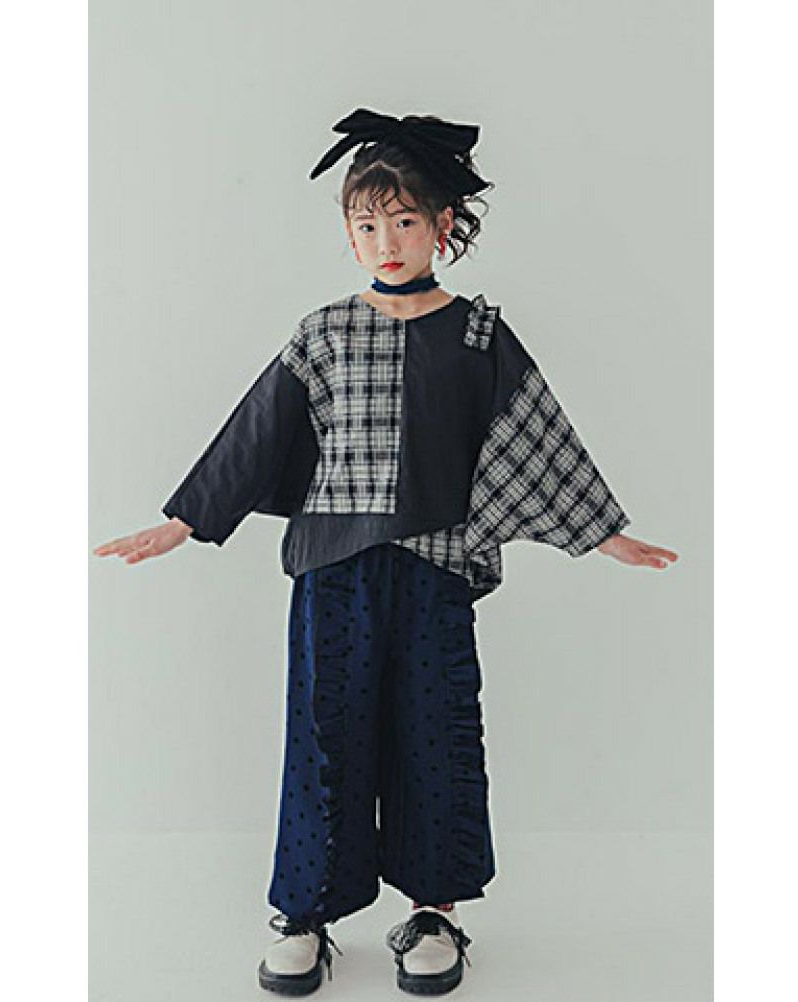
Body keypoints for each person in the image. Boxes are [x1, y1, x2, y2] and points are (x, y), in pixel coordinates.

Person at [94, 107, 679, 997]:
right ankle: (306, 914)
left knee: (437, 735)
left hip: (436, 570)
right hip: (333, 571)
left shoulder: (478, 335)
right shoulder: (324, 332)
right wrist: (184, 520)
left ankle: (436, 912)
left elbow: (537, 433)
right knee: (324, 737)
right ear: (348, 234)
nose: (386, 242)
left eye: (404, 221)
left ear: (444, 225)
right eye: (366, 225)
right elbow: (258, 432)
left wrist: (600, 531)